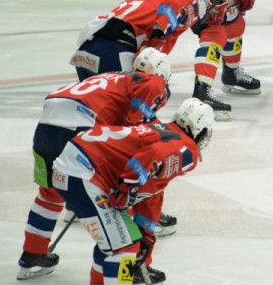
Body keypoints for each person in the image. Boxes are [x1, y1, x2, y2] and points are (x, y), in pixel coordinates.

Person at [17, 48, 172, 280]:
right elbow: (137, 124)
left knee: (50, 191)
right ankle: (130, 262)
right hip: (81, 126)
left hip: (47, 123)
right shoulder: (152, 81)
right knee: (118, 194)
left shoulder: (112, 78)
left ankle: (33, 252)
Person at [51, 98, 215, 284]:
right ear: (199, 128)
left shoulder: (165, 130)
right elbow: (150, 157)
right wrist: (127, 187)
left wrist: (145, 231)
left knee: (112, 243)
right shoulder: (186, 149)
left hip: (74, 165)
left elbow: (151, 191)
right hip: (83, 172)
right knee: (125, 247)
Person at [70, 0, 218, 82]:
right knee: (125, 107)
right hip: (115, 51)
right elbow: (167, 18)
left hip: (85, 49)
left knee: (92, 106)